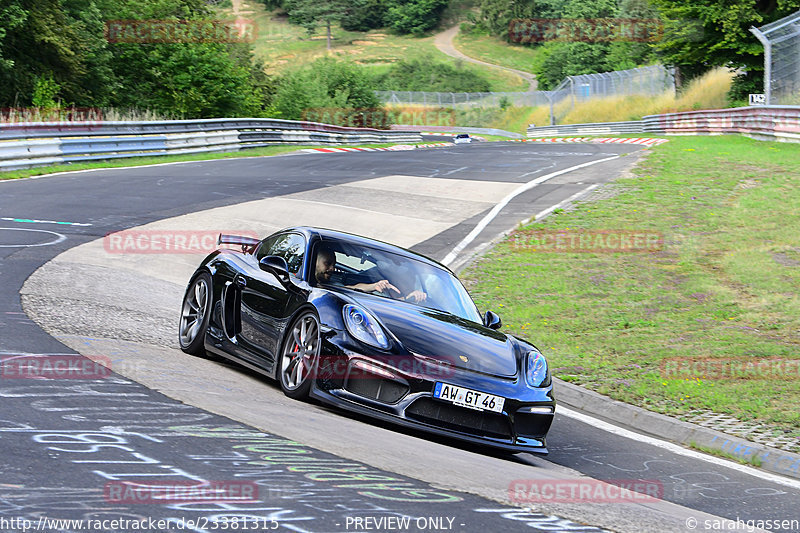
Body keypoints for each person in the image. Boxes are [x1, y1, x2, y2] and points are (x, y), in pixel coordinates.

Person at [314, 246, 427, 303]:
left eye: (334, 264)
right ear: (315, 262)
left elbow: (352, 288)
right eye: (327, 263)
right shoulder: (300, 277)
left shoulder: (334, 283)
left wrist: (374, 286)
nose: (332, 269)